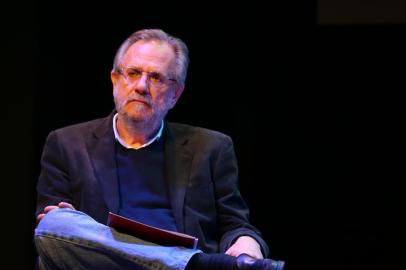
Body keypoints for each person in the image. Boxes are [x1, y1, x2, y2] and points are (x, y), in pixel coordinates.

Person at [35, 29, 284, 270]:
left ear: (175, 94)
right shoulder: (66, 143)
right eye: (133, 73)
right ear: (115, 81)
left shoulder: (210, 147)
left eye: (155, 77)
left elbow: (235, 224)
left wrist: (247, 242)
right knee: (56, 223)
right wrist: (69, 221)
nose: (141, 86)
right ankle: (195, 265)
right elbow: (51, 233)